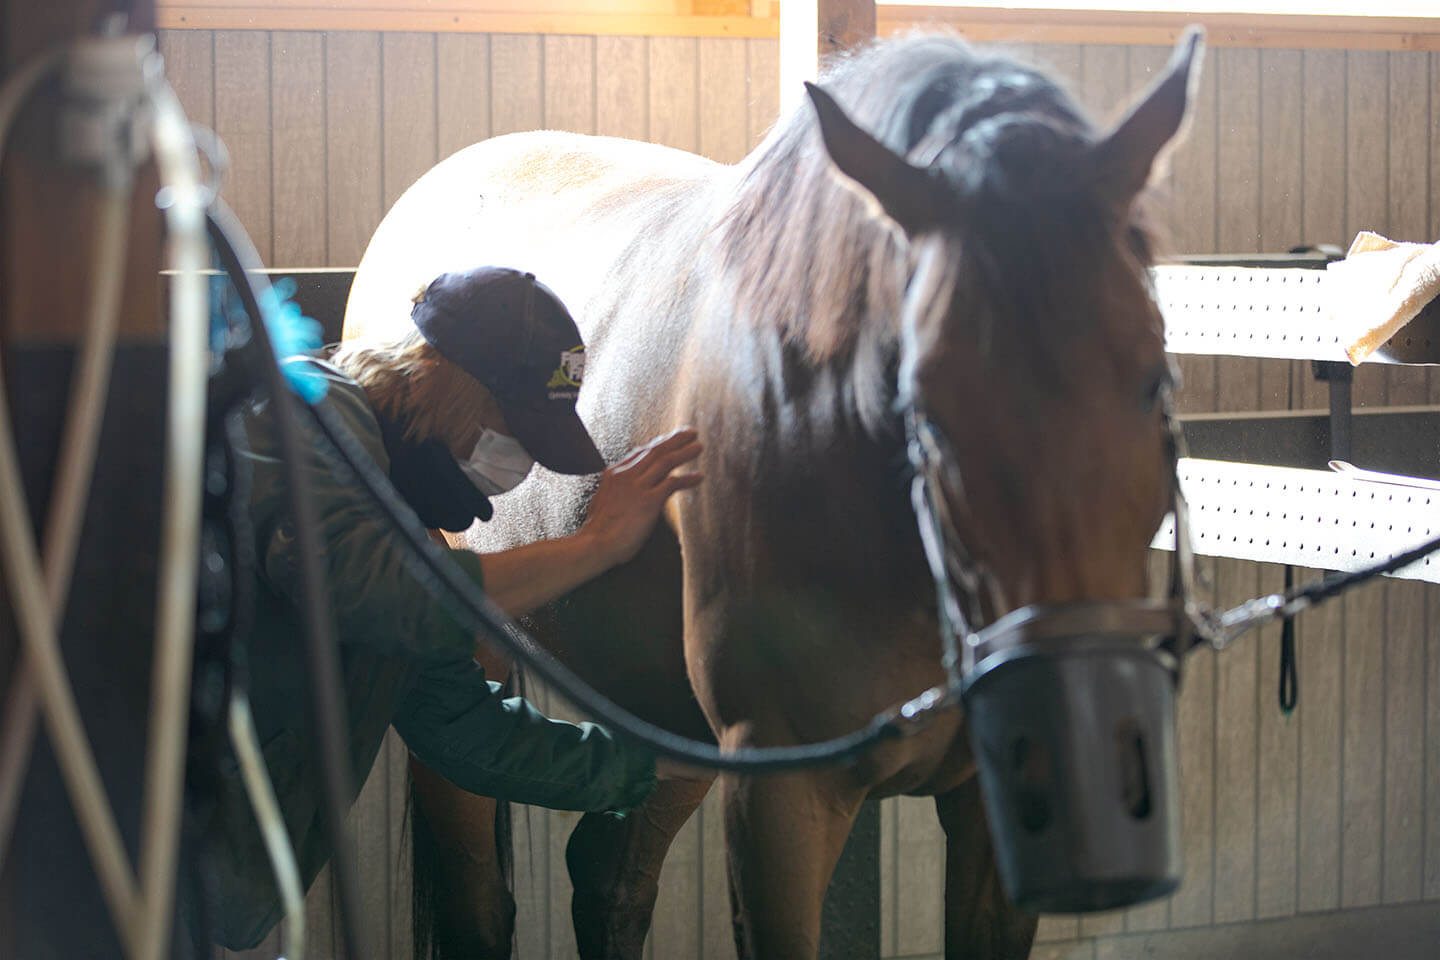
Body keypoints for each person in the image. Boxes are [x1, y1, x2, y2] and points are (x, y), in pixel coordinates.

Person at [187, 266, 702, 950]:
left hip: (189, 885)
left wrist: (652, 764)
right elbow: (377, 590)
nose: (519, 468)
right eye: (514, 431)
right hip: (110, 831)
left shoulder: (401, 526)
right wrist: (597, 545)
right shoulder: (301, 415)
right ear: (440, 376)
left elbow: (464, 732)